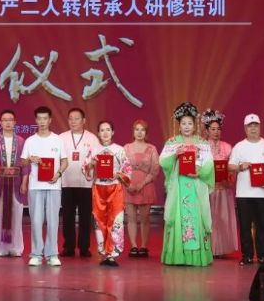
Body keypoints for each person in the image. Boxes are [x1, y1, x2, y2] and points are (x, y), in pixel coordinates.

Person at [160, 102, 214, 266]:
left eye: (190, 123)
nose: (186, 126)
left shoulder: (202, 143)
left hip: (196, 185)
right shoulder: (172, 142)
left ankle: (196, 257)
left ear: (194, 125)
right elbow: (163, 162)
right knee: (178, 216)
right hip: (179, 186)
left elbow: (209, 164)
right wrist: (174, 155)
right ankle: (177, 255)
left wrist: (200, 172)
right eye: (183, 123)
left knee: (196, 216)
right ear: (179, 125)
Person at [20, 106, 68, 267]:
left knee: (53, 221)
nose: (42, 121)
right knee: (36, 221)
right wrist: (30, 159)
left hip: (54, 186)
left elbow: (65, 161)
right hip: (35, 186)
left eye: (45, 118)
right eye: (39, 118)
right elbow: (22, 162)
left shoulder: (57, 140)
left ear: (50, 120)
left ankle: (52, 254)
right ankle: (36, 254)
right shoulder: (30, 141)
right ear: (36, 120)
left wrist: (58, 174)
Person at [229, 113, 264, 265]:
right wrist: (240, 167)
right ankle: (247, 256)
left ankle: (262, 256)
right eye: (250, 126)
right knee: (244, 226)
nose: (253, 128)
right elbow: (230, 166)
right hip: (243, 194)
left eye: (255, 125)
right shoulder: (239, 146)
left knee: (262, 226)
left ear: (260, 127)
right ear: (245, 128)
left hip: (263, 194)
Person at [87, 121, 132, 266]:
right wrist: (91, 164)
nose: (105, 133)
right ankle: (104, 252)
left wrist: (117, 174)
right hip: (99, 188)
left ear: (113, 132)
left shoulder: (119, 150)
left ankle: (112, 254)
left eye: (108, 130)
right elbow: (86, 169)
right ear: (98, 133)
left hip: (115, 188)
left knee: (115, 220)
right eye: (102, 130)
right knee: (99, 220)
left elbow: (127, 170)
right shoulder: (94, 150)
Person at [59, 108, 100, 258]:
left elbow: (97, 159)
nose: (73, 121)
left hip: (86, 184)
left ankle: (84, 247)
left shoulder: (92, 138)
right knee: (67, 217)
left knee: (85, 217)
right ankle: (68, 247)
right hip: (66, 183)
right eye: (71, 118)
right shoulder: (61, 137)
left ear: (84, 121)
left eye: (77, 118)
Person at [0, 110, 29, 257]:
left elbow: (25, 164)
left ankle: (16, 247)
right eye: (4, 120)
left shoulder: (21, 141)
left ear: (15, 122)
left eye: (10, 120)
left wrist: (24, 182)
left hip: (16, 183)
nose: (7, 122)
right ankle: (1, 248)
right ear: (0, 123)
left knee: (17, 215)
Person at [202, 109, 238, 258]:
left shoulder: (228, 147)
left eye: (218, 129)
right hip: (207, 189)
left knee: (223, 219)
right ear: (207, 131)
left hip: (223, 188)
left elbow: (232, 167)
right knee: (208, 218)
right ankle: (207, 248)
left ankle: (221, 249)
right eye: (212, 129)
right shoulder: (202, 147)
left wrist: (229, 179)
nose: (216, 132)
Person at [124, 119, 159, 258]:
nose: (139, 132)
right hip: (129, 186)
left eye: (142, 130)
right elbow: (121, 168)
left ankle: (144, 246)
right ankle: (133, 246)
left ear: (146, 132)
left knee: (145, 218)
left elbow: (155, 169)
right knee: (131, 218)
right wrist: (128, 184)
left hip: (146, 185)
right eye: (137, 129)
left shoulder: (152, 148)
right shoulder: (126, 148)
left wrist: (141, 184)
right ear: (133, 132)